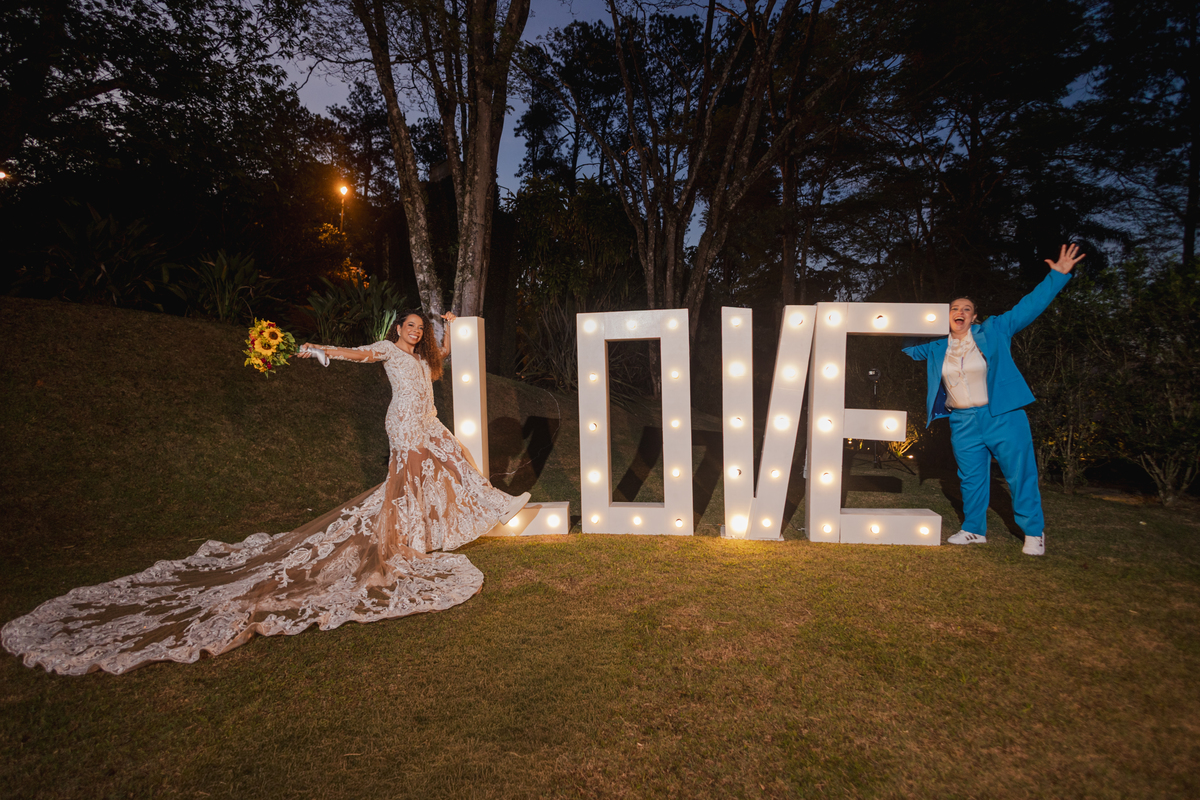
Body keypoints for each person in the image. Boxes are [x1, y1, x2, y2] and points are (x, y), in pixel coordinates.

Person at [2, 310, 530, 675]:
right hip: (404, 425)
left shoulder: (424, 358)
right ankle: (416, 534)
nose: (413, 333)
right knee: (412, 478)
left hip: (427, 421)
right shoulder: (386, 350)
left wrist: (447, 325)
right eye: (409, 327)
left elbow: (440, 356)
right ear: (397, 329)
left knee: (445, 465)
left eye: (419, 328)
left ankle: (432, 525)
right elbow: (353, 354)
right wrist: (318, 350)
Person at [903, 244, 1085, 556]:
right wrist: (914, 319)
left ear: (974, 317)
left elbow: (1028, 307)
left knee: (1019, 474)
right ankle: (974, 530)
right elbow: (906, 347)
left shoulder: (995, 330)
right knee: (971, 478)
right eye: (954, 308)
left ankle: (1033, 532)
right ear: (946, 316)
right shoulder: (935, 347)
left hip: (1002, 415)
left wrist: (1057, 276)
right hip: (962, 421)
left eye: (966, 309)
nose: (960, 312)